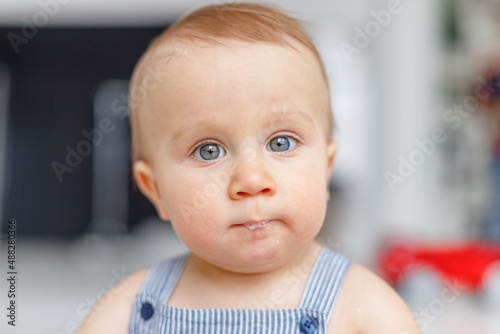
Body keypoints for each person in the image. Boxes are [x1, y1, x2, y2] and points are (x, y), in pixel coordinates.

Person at [76, 3, 421, 333]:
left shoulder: (361, 302)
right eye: (209, 150)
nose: (252, 180)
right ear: (156, 191)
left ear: (326, 168)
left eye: (281, 143)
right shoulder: (132, 305)